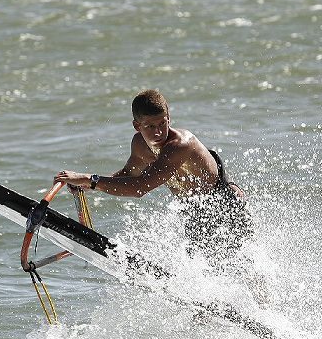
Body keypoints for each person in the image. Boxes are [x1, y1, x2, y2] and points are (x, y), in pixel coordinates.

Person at [54, 89, 254, 261]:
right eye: (150, 126)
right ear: (137, 126)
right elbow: (128, 175)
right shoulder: (140, 145)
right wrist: (88, 186)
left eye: (162, 124)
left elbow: (139, 188)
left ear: (169, 119)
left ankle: (262, 302)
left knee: (235, 264)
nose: (158, 132)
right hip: (194, 211)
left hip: (222, 204)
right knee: (206, 266)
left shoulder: (180, 145)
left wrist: (91, 179)